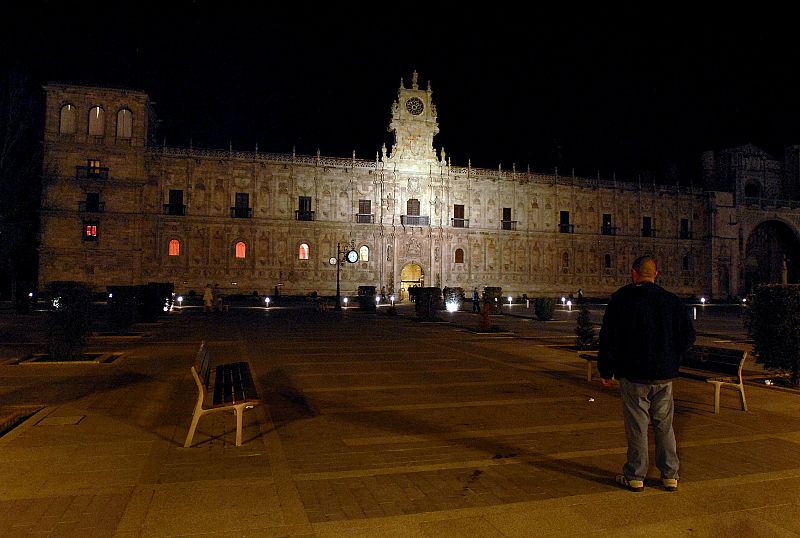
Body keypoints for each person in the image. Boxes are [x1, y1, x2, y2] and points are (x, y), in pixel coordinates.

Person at [598, 255, 695, 493]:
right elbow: (689, 337)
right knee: (664, 425)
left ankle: (635, 476)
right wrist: (672, 357)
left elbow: (608, 337)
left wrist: (606, 370)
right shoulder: (671, 301)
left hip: (633, 375)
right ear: (656, 274)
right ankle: (670, 475)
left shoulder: (621, 299)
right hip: (663, 375)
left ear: (633, 273)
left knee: (637, 426)